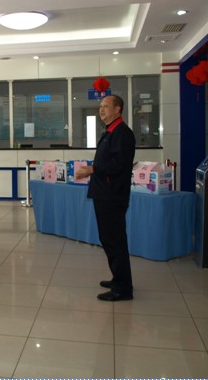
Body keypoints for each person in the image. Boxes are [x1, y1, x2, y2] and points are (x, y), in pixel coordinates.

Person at [75, 95, 136, 301]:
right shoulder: (110, 131)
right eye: (100, 106)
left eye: (105, 106)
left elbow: (119, 164)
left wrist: (92, 169)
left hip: (112, 195)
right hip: (104, 193)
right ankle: (118, 278)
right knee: (109, 239)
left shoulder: (123, 133)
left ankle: (123, 288)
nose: (101, 110)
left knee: (114, 240)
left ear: (117, 109)